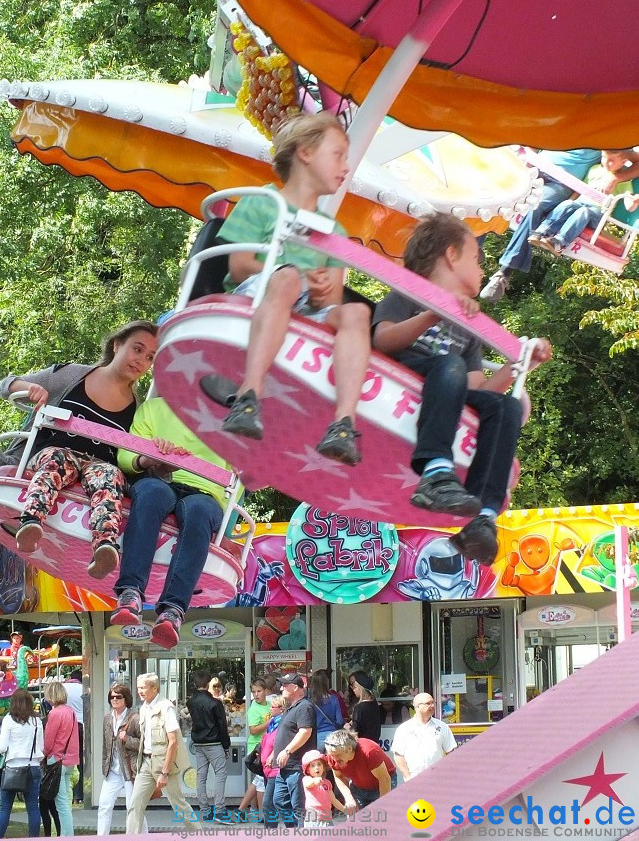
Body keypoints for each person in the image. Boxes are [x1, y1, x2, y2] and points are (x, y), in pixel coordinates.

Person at [373, 213, 552, 565]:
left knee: (506, 408)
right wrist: (436, 313)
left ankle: (483, 517)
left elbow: (477, 391)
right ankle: (435, 469)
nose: (483, 269)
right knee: (450, 364)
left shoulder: (468, 329)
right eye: (477, 259)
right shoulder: (407, 296)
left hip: (448, 388)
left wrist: (519, 366)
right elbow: (382, 341)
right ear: (452, 256)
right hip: (405, 379)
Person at [208, 111, 372, 465]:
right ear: (306, 152)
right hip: (259, 294)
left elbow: (331, 298)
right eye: (338, 154)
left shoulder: (334, 232)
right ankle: (249, 394)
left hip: (307, 309)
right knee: (286, 279)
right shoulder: (265, 202)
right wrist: (299, 275)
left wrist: (322, 285)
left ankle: (344, 422)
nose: (346, 166)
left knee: (357, 312)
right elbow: (239, 267)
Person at [0, 319, 158, 577]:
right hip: (56, 453)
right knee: (57, 459)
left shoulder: (137, 409)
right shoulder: (72, 375)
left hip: (97, 466)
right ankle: (30, 521)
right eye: (137, 349)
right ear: (117, 345)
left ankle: (105, 546)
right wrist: (31, 388)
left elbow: (130, 460)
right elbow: (6, 385)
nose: (141, 360)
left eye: (149, 357)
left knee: (110, 476)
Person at [110, 396, 233, 649]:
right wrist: (149, 459)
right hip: (160, 479)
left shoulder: (231, 421)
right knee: (151, 494)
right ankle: (130, 592)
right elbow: (126, 456)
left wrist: (228, 531)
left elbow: (241, 481)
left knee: (198, 511)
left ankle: (173, 610)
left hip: (206, 491)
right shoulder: (154, 408)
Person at [480, 148, 639, 301]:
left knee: (536, 204)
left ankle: (504, 273)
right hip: (536, 168)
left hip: (561, 182)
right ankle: (473, 244)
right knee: (493, 184)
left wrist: (617, 177)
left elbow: (630, 160)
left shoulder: (607, 137)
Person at [126, 672, 196, 834]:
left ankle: (198, 835)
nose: (140, 691)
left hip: (165, 764)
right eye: (138, 688)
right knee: (135, 805)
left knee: (179, 805)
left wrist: (164, 772)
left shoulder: (166, 708)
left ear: (155, 688)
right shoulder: (143, 708)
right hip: (146, 762)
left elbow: (173, 742)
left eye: (143, 688)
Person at [528, 150, 638, 253]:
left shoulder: (622, 181)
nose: (606, 162)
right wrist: (568, 202)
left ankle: (560, 242)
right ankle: (542, 231)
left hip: (596, 213)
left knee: (583, 212)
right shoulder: (594, 169)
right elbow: (581, 190)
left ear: (623, 162)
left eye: (611, 161)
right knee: (568, 204)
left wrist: (634, 202)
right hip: (580, 203)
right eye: (604, 157)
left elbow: (628, 204)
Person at [96, 683, 147, 836]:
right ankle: (101, 837)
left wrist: (128, 739)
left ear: (126, 699)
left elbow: (144, 744)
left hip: (130, 770)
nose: (115, 700)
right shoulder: (107, 718)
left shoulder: (135, 717)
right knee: (104, 806)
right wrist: (105, 766)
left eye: (118, 697)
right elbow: (105, 745)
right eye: (112, 697)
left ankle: (142, 836)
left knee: (133, 807)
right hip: (112, 771)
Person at [0, 688, 43, 838]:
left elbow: (2, 747)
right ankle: (34, 838)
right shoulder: (36, 720)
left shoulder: (8, 719)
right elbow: (41, 747)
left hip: (13, 768)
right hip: (32, 766)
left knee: (5, 808)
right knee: (33, 807)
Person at [268, 673, 316, 829]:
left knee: (298, 806)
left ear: (295, 687)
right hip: (285, 767)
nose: (281, 688)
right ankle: (293, 830)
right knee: (279, 801)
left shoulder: (304, 707)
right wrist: (274, 753)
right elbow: (286, 734)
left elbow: (305, 732)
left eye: (285, 685)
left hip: (296, 766)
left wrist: (287, 751)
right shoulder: (291, 708)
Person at [187, 669, 230, 822]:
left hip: (198, 742)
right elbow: (222, 726)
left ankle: (204, 810)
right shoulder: (215, 703)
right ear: (207, 684)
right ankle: (219, 809)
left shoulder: (191, 702)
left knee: (201, 776)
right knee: (220, 774)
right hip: (214, 742)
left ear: (195, 684)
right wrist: (226, 746)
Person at [41, 682, 79, 838]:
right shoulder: (70, 712)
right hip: (70, 759)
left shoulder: (54, 714)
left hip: (56, 760)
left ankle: (67, 835)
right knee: (65, 802)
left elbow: (49, 741)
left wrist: (44, 754)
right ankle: (66, 833)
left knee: (61, 803)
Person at [391, 692, 456, 781]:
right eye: (428, 703)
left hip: (438, 778)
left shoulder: (442, 726)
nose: (432, 706)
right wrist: (407, 775)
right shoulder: (404, 729)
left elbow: (451, 751)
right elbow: (398, 755)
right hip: (414, 778)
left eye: (433, 703)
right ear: (417, 706)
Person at [324, 729, 394, 810]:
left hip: (383, 783)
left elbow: (384, 779)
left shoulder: (369, 752)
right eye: (332, 755)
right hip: (359, 787)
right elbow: (339, 777)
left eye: (338, 754)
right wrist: (349, 799)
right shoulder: (332, 756)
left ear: (349, 749)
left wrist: (383, 805)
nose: (334, 758)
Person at [239, 679, 270, 814]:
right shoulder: (253, 709)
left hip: (266, 747)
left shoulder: (269, 705)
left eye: (259, 691)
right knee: (261, 780)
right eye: (254, 692)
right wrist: (270, 722)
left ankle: (243, 809)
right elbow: (253, 730)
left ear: (265, 691)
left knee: (258, 780)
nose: (256, 695)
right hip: (256, 748)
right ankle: (262, 813)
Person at [260, 695, 285, 830]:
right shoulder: (272, 724)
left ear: (281, 709)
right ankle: (270, 829)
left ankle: (270, 830)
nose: (270, 709)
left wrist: (272, 755)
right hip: (267, 769)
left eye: (273, 707)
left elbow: (281, 743)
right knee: (270, 803)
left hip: (275, 769)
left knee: (268, 802)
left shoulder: (282, 725)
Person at [301, 748, 346, 825]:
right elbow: (308, 784)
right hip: (313, 820)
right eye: (312, 766)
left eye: (319, 764)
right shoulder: (307, 779)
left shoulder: (327, 783)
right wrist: (314, 781)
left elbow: (333, 800)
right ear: (308, 770)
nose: (317, 767)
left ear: (323, 767)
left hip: (327, 819)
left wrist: (345, 810)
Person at [307, 669, 344, 752]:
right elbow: (339, 721)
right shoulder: (334, 699)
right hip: (332, 737)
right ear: (326, 683)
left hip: (316, 738)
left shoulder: (309, 702)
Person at [63, 669, 85, 804]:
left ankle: (66, 791)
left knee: (66, 759)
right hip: (81, 726)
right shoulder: (84, 688)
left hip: (66, 726)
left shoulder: (63, 688)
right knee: (80, 760)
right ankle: (79, 794)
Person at [347, 672, 381, 744]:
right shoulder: (374, 703)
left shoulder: (359, 707)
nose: (353, 690)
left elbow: (355, 730)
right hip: (374, 744)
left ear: (361, 688)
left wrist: (348, 728)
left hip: (363, 745)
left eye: (355, 687)